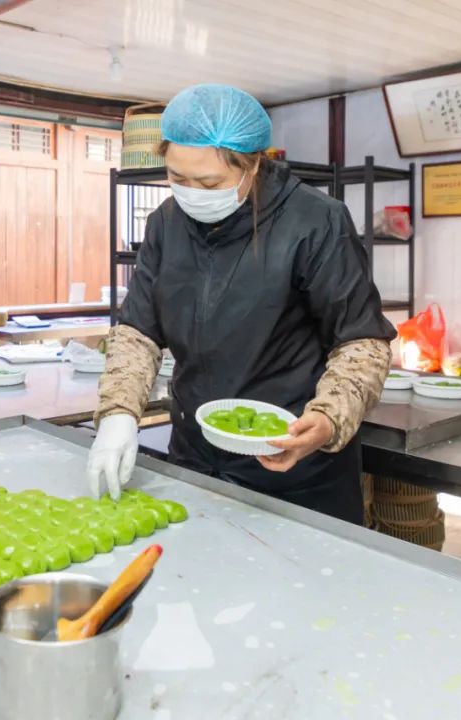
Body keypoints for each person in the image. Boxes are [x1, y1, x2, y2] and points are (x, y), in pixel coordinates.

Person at [87, 84, 394, 524]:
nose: (191, 193)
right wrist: (118, 413)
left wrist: (328, 418)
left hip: (294, 466)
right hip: (195, 456)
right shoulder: (165, 225)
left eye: (209, 183)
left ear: (253, 165)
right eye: (177, 178)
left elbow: (362, 342)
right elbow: (138, 332)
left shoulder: (315, 221)